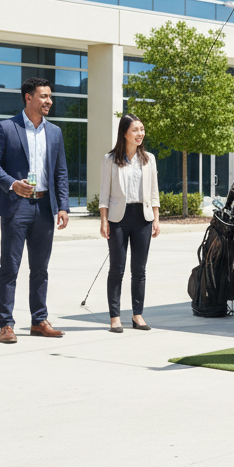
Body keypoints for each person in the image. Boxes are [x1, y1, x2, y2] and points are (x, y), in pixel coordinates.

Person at [0, 77, 70, 343]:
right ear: (28, 98)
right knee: (10, 266)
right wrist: (11, 184)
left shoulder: (54, 132)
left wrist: (63, 206)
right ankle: (6, 324)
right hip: (16, 206)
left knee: (40, 269)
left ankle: (39, 320)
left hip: (45, 207)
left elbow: (61, 172)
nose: (49, 101)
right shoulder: (7, 128)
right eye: (44, 96)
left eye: (50, 96)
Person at [99, 114, 161, 333]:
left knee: (139, 270)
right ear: (124, 133)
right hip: (118, 218)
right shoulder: (110, 159)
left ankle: (137, 315)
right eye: (135, 130)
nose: (140, 134)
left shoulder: (149, 159)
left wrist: (156, 218)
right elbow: (104, 194)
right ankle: (115, 317)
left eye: (142, 129)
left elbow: (154, 191)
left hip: (142, 217)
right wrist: (104, 220)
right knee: (117, 268)